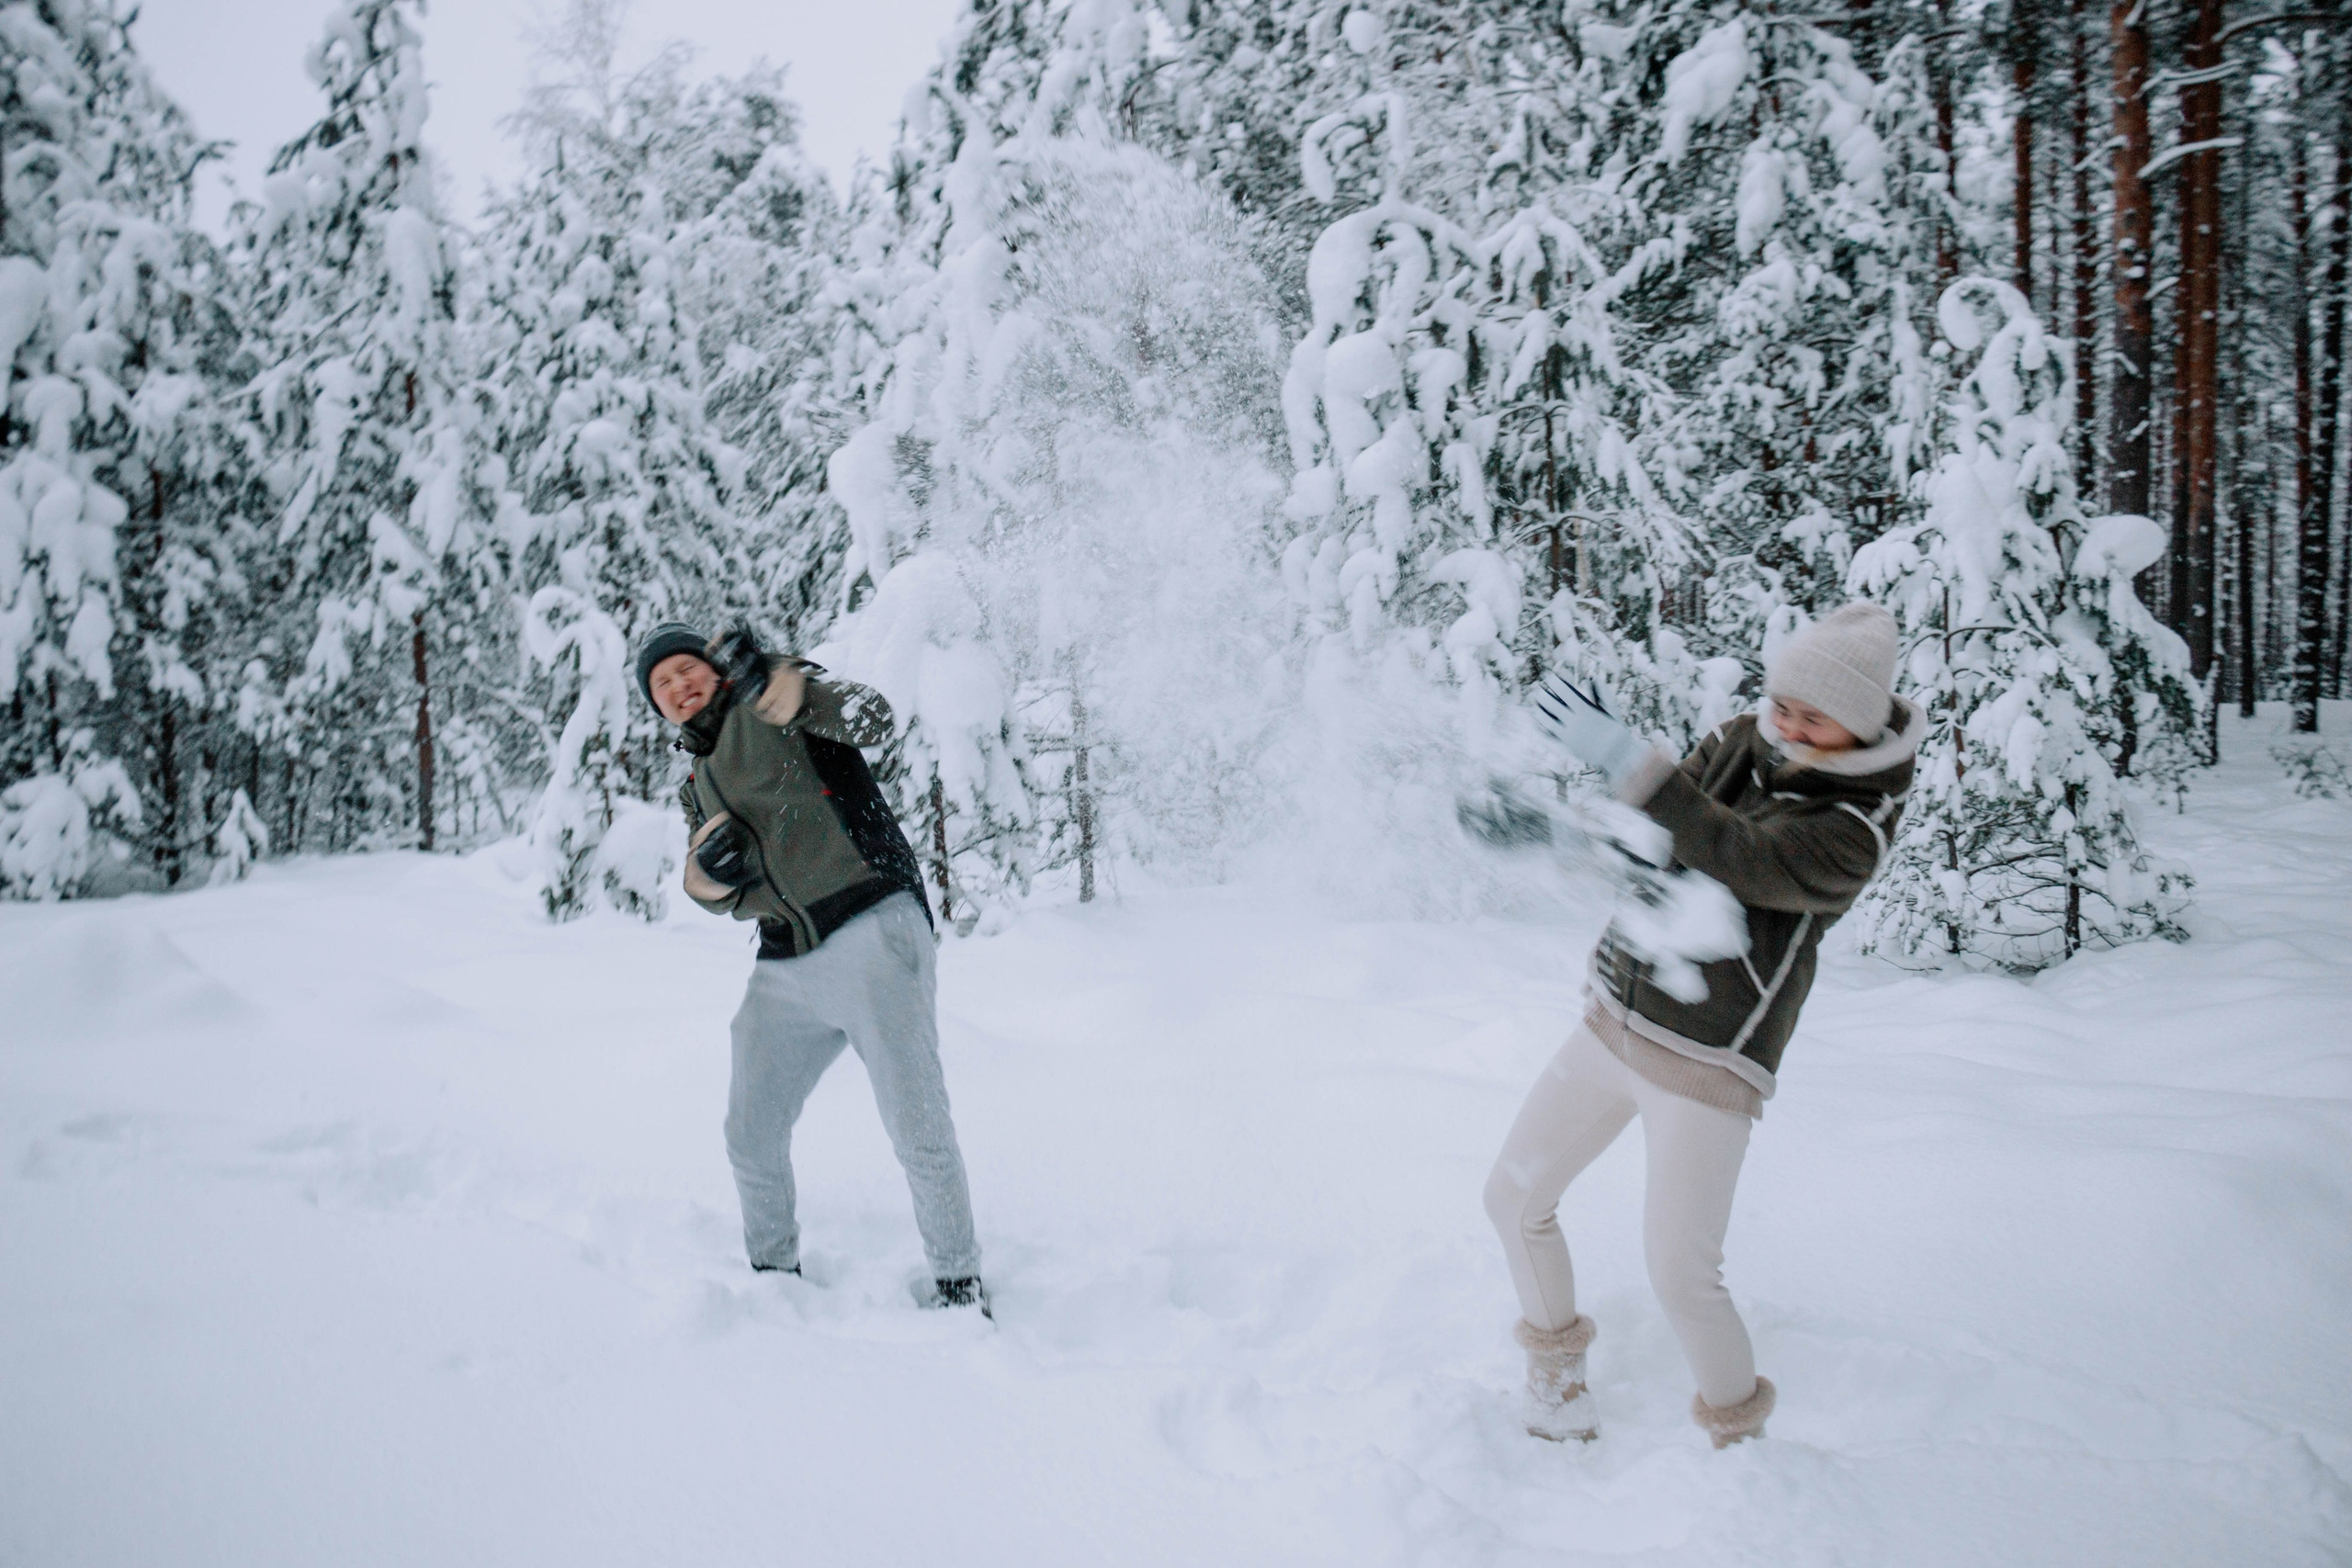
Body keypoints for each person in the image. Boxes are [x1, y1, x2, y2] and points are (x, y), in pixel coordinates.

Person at [1484, 603, 1919, 1447]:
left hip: (1707, 1064)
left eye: (1812, 716)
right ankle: (1555, 1386)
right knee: (1513, 1197)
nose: (1786, 724)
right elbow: (1659, 835)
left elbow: (1735, 855)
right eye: (1783, 702)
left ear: (1859, 728)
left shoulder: (1851, 832)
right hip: (1616, 1018)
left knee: (1681, 1276)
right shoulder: (1739, 738)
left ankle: (1738, 1443)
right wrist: (1556, 827)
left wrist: (1629, 761)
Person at [636, 621, 986, 1312]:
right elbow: (716, 890)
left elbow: (875, 718)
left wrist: (784, 688)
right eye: (661, 685)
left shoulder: (772, 694)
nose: (679, 687)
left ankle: (959, 1283)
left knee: (915, 1122)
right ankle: (773, 1279)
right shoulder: (696, 783)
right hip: (786, 959)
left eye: (685, 669)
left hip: (869, 923)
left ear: (710, 667)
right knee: (749, 1129)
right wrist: (707, 880)